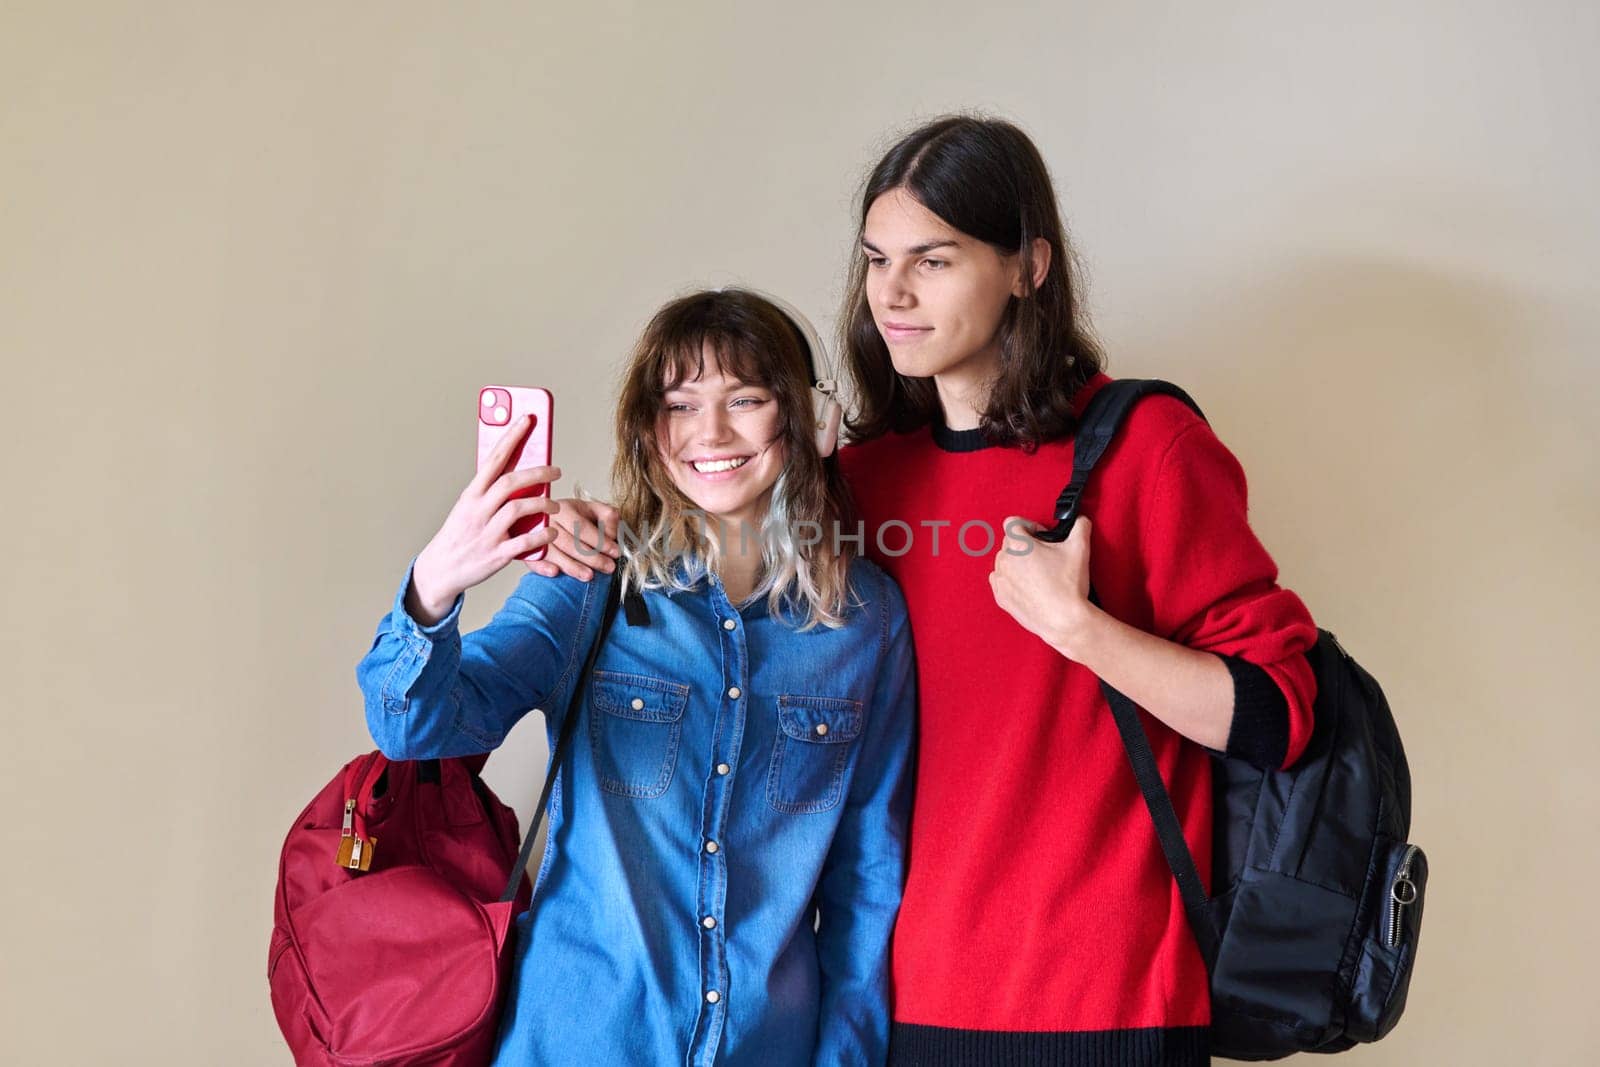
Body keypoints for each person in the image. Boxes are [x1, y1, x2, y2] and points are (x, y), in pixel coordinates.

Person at [548, 116, 1319, 1067]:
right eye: (876, 260)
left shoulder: (1140, 448)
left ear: (1028, 265)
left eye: (934, 260)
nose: (893, 294)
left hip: (1108, 1000)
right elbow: (711, 584)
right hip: (906, 1008)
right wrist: (601, 538)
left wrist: (1080, 628)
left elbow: (1281, 714)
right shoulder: (859, 481)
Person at [356, 289, 916, 1066]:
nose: (710, 432)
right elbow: (413, 726)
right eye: (680, 404)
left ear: (801, 415)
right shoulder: (588, 580)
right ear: (649, 431)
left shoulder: (864, 619)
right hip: (576, 1041)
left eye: (745, 399)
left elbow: (866, 879)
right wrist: (438, 580)